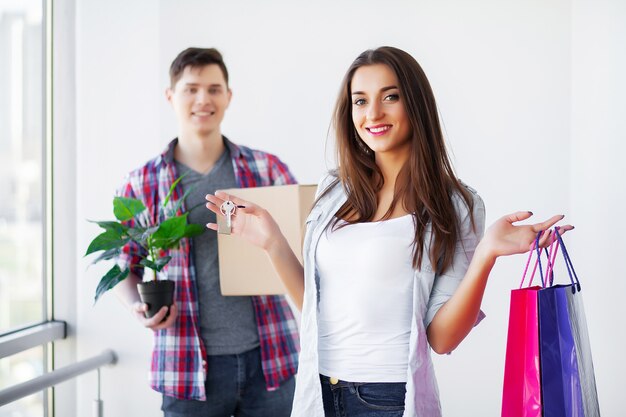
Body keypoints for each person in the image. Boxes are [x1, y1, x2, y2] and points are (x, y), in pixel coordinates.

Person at [205, 46, 572, 417]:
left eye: (390, 97)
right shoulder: (334, 190)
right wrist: (273, 242)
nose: (373, 114)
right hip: (318, 393)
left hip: (388, 399)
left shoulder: (455, 204)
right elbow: (315, 313)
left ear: (415, 102)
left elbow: (443, 340)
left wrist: (486, 255)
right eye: (360, 101)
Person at [114, 47, 299, 417]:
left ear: (228, 97)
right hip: (185, 366)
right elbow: (124, 266)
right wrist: (138, 305)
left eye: (214, 89)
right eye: (191, 89)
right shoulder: (141, 183)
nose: (203, 99)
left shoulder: (267, 169)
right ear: (170, 96)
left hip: (271, 359)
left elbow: (300, 244)